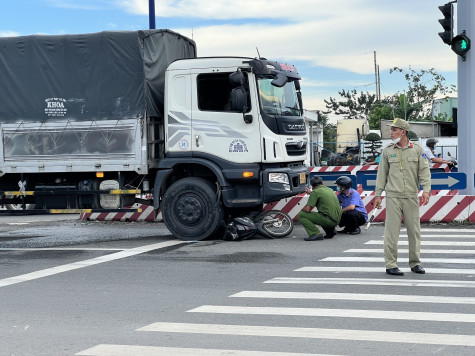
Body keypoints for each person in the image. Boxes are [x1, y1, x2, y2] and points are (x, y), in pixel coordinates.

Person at [374, 118, 431, 276]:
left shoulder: (417, 150)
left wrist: (426, 190)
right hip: (393, 196)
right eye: (391, 130)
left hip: (411, 196)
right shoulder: (388, 151)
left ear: (403, 132)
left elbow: (424, 172)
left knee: (414, 231)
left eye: (394, 130)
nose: (391, 133)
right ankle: (391, 264)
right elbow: (381, 175)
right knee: (392, 232)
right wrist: (378, 195)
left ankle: (415, 263)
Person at [298, 175, 342, 241]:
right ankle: (330, 231)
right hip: (337, 220)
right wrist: (311, 193)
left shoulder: (315, 192)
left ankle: (315, 233)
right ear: (323, 183)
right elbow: (320, 194)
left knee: (301, 215)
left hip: (329, 220)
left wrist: (301, 209)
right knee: (323, 213)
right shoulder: (329, 190)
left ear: (312, 186)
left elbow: (308, 209)